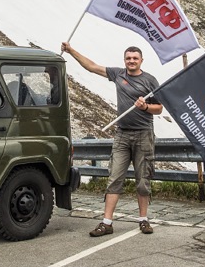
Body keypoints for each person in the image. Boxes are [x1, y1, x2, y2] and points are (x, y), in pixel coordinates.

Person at [61, 42, 162, 236]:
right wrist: (71, 50)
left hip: (144, 135)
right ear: (125, 60)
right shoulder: (118, 74)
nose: (131, 61)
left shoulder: (150, 80)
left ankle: (143, 220)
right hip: (122, 134)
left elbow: (159, 108)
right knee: (114, 178)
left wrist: (145, 107)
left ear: (141, 61)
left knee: (143, 180)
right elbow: (92, 67)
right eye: (128, 58)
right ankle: (107, 222)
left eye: (135, 58)